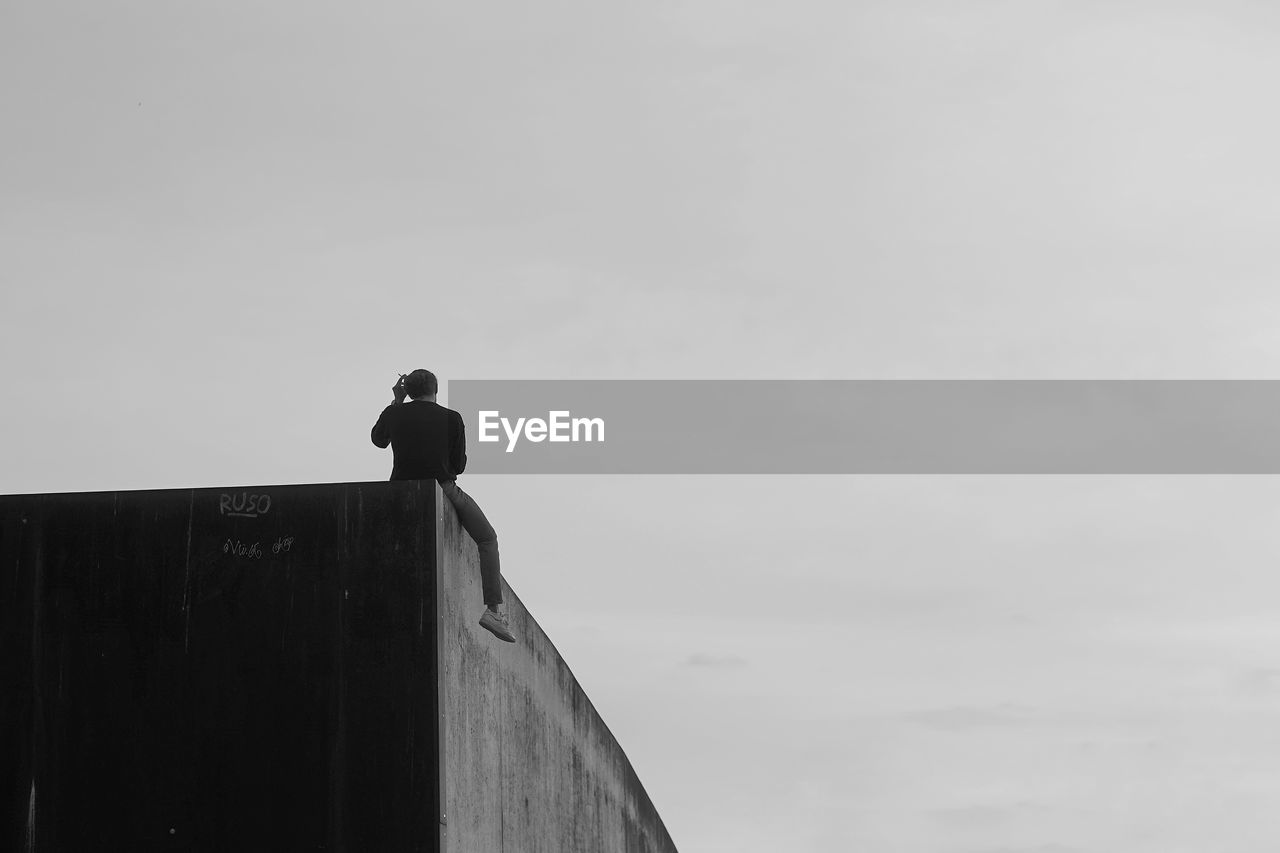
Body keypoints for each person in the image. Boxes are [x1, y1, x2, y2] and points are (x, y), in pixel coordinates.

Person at [371, 369, 515, 643]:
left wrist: (396, 402)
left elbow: (379, 440)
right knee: (488, 538)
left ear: (407, 391)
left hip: (399, 488)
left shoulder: (395, 413)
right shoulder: (451, 418)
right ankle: (493, 610)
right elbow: (459, 465)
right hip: (443, 486)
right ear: (435, 389)